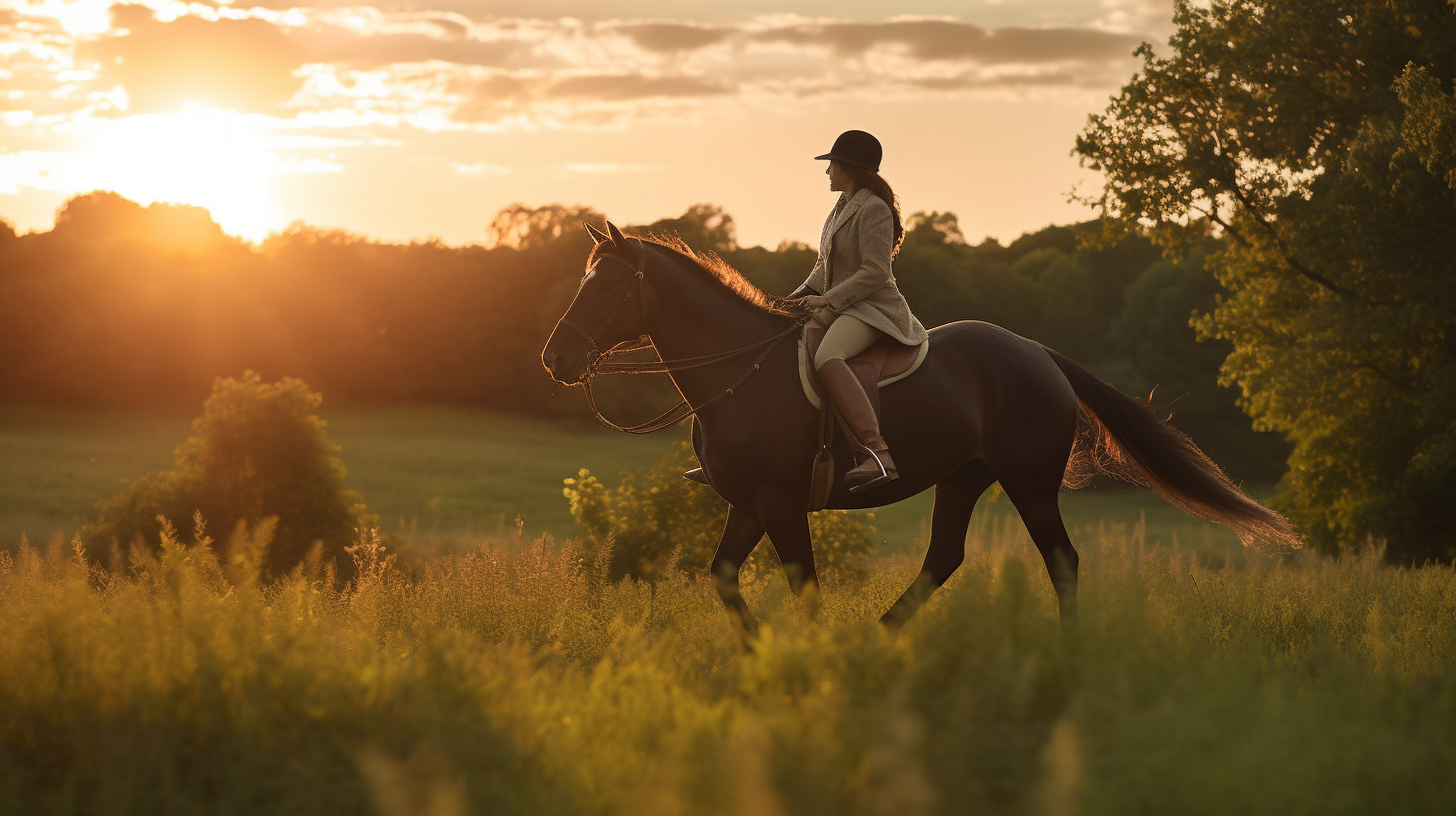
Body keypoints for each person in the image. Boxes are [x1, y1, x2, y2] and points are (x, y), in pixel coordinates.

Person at [786, 129, 928, 492]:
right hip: (844, 305)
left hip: (873, 309)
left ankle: (877, 454)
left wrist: (827, 300)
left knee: (828, 356)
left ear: (849, 167)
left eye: (832, 164)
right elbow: (823, 267)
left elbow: (876, 272)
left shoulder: (875, 209)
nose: (827, 171)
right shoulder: (839, 208)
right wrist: (791, 300)